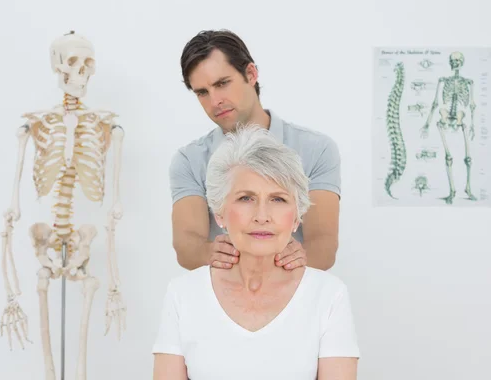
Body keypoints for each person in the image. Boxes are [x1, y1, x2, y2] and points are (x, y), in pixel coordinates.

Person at [153, 124, 360, 379]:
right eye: (246, 198)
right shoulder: (182, 294)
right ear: (220, 213)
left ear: (296, 218)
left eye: (278, 199)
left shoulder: (329, 295)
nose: (262, 216)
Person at [170, 29, 342, 272]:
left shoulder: (317, 149)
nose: (215, 100)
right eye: (202, 92)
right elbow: (187, 247)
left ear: (251, 74)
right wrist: (208, 251)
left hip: (294, 297)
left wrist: (281, 267)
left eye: (222, 84)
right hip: (223, 297)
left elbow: (323, 246)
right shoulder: (189, 160)